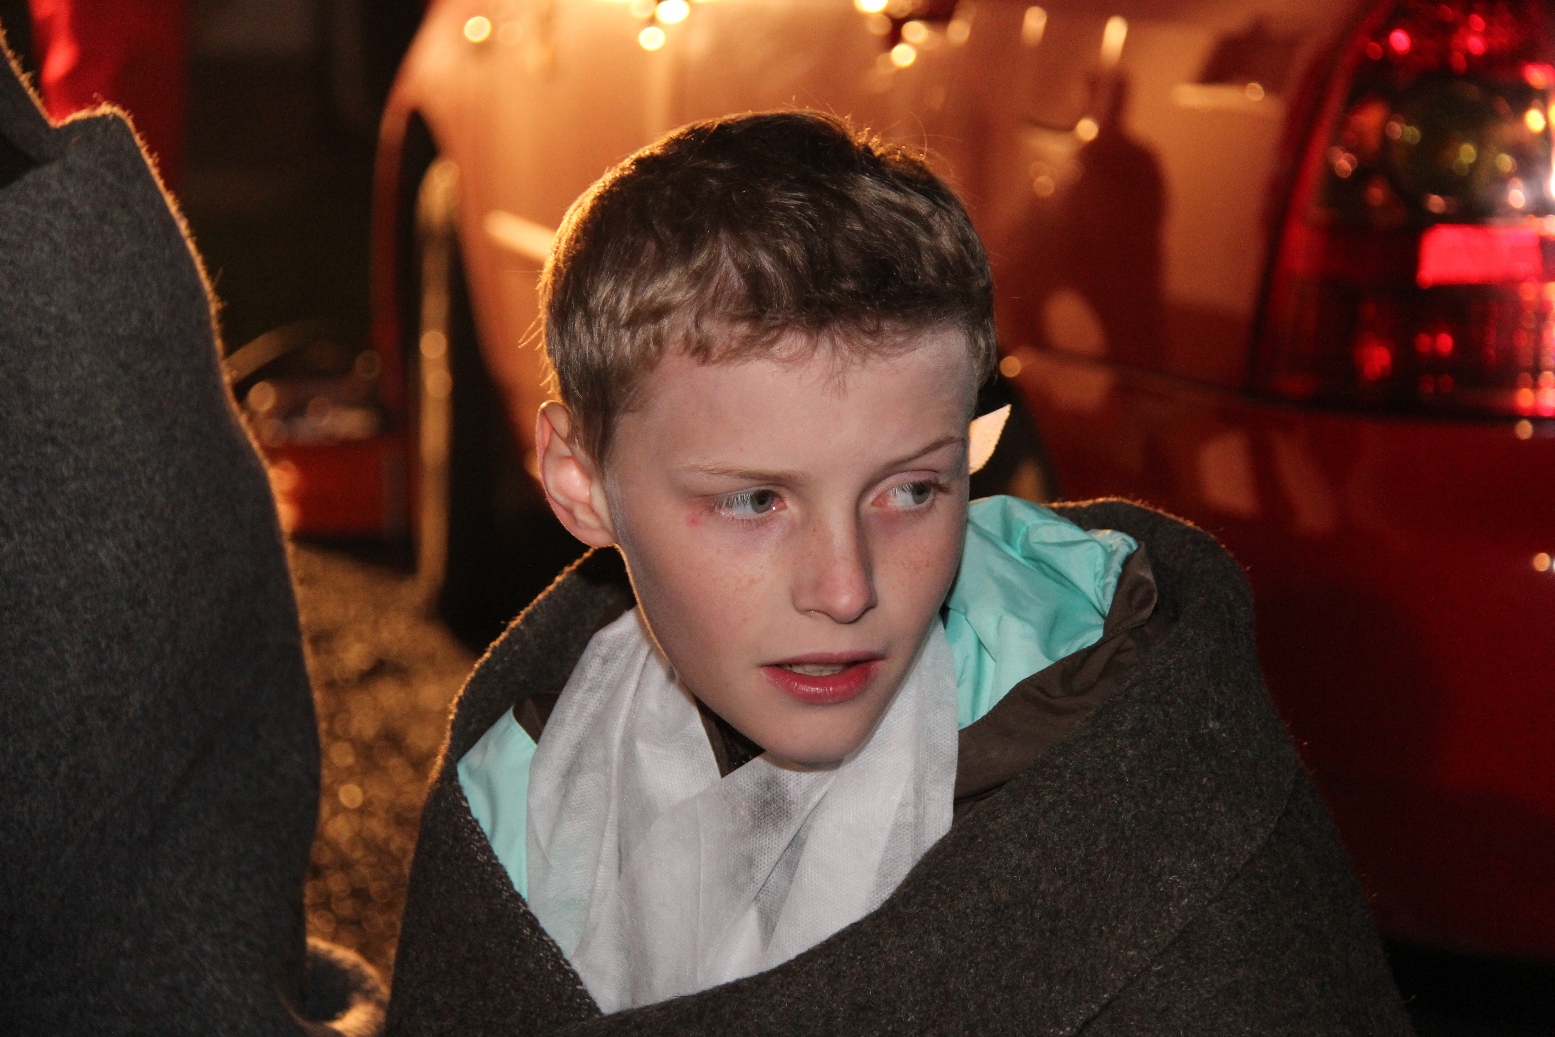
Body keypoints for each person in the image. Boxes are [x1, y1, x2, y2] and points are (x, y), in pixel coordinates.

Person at [385, 111, 1413, 1035]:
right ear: (580, 483)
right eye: (754, 500)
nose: (846, 590)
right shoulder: (516, 805)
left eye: (912, 490)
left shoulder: (1165, 789)